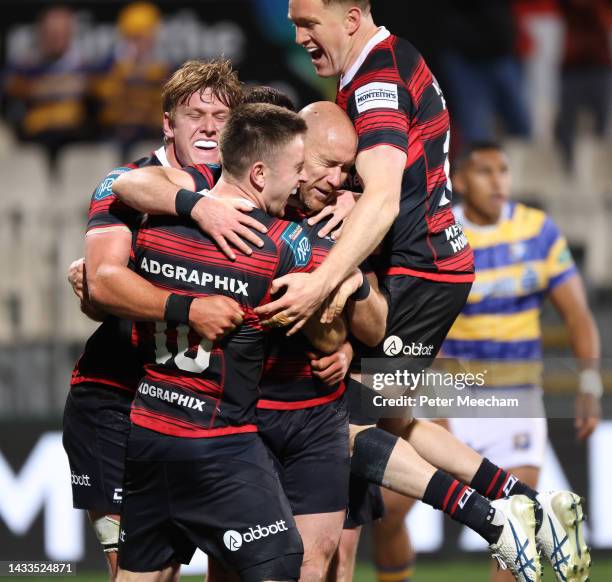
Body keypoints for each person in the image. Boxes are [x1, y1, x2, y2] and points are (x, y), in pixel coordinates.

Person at [255, 2, 590, 580]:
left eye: (308, 21)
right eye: (293, 21)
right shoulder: (380, 63)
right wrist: (352, 194)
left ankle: (494, 519)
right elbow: (386, 181)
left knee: (339, 424)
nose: (298, 34)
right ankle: (524, 502)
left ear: (352, 17)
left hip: (419, 273)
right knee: (392, 419)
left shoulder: (377, 78)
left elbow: (385, 195)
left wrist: (322, 282)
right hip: (433, 267)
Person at [63, 59, 266, 581]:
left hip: (201, 405)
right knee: (140, 572)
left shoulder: (250, 189)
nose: (208, 126)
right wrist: (189, 307)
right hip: (116, 397)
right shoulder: (125, 184)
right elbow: (104, 283)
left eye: (221, 114)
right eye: (193, 113)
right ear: (167, 124)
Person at [102, 103, 321, 582]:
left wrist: (194, 207)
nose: (302, 180)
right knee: (282, 562)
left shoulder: (157, 227)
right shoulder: (276, 247)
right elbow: (333, 326)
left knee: (141, 576)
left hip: (149, 434)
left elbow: (119, 183)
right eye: (297, 169)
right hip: (219, 444)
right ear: (260, 174)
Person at [446, 142, 600, 581]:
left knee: (515, 534)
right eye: (484, 172)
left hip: (515, 399)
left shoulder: (538, 231)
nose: (498, 182)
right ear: (459, 181)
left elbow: (578, 315)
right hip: (450, 397)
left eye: (504, 171)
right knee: (391, 508)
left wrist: (589, 383)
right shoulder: (441, 234)